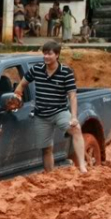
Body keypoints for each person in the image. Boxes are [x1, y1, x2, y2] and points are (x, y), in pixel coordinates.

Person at [12, 40, 87, 174]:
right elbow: (22, 84)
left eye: (49, 54)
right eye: (44, 54)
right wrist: (17, 95)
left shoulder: (66, 72)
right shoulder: (36, 69)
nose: (46, 56)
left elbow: (72, 96)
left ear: (57, 55)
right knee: (46, 148)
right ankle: (50, 175)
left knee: (76, 130)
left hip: (60, 111)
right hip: (41, 115)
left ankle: (82, 166)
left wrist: (74, 117)